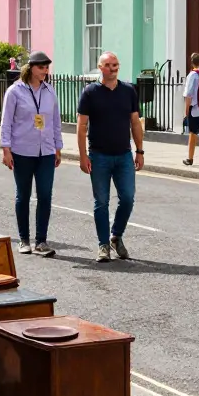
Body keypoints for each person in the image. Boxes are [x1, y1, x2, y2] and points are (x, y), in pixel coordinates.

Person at [76, 51, 144, 263]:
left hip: (123, 154)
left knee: (128, 198)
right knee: (101, 202)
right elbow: (81, 126)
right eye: (109, 65)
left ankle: (116, 236)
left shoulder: (128, 91)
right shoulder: (90, 92)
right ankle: (103, 244)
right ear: (100, 67)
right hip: (99, 155)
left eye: (116, 64)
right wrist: (82, 156)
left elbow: (135, 122)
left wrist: (139, 151)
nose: (113, 68)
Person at [0, 52, 63, 257]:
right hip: (22, 151)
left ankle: (41, 241)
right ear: (31, 68)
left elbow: (55, 121)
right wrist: (6, 149)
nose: (45, 71)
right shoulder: (15, 91)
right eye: (41, 67)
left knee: (45, 195)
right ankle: (24, 239)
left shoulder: (50, 91)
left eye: (47, 68)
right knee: (23, 196)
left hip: (45, 151)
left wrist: (58, 147)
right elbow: (6, 121)